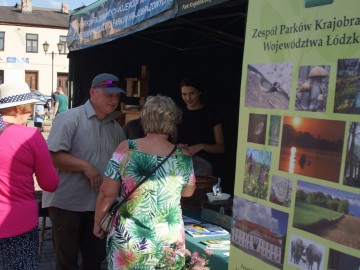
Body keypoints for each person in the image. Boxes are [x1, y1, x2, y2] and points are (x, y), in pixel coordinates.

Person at [93, 95, 196, 269]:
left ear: (144, 119)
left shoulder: (126, 148)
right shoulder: (183, 156)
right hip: (168, 241)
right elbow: (188, 191)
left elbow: (106, 193)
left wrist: (98, 222)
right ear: (172, 122)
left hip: (129, 238)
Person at [42, 73, 127, 270]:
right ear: (92, 93)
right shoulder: (69, 118)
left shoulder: (116, 129)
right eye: (108, 95)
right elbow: (52, 156)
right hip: (67, 203)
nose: (113, 100)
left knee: (94, 261)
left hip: (99, 207)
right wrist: (85, 166)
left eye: (116, 96)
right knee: (66, 263)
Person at [0, 81, 59, 269]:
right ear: (18, 109)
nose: (30, 112)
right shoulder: (31, 136)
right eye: (29, 108)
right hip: (18, 223)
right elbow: (49, 183)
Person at [177, 77, 225, 176]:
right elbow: (170, 142)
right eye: (184, 94)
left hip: (204, 165)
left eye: (191, 94)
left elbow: (220, 147)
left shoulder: (211, 114)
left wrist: (202, 146)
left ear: (199, 92)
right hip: (181, 162)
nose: (188, 98)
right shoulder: (178, 114)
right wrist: (177, 146)